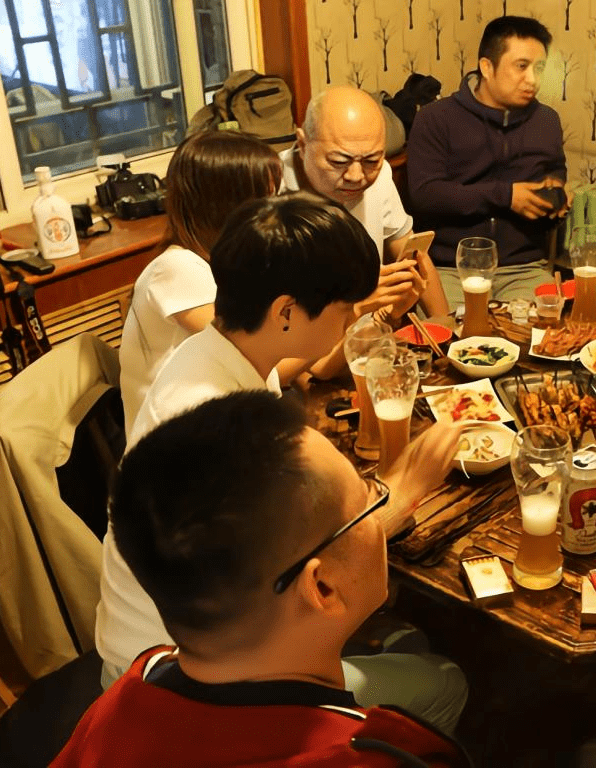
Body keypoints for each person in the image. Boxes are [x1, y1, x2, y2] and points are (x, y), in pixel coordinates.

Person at [96, 194, 468, 733]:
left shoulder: (217, 352)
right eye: (345, 307)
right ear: (287, 312)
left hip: (203, 635)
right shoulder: (213, 419)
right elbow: (315, 570)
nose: (352, 317)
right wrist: (405, 489)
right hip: (188, 681)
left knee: (409, 639)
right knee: (446, 681)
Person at [55, 392, 471, 767]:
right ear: (322, 588)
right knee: (445, 678)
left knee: (425, 662)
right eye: (369, 499)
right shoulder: (374, 756)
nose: (380, 508)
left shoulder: (125, 695)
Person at [118, 129, 281, 434]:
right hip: (175, 448)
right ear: (226, 205)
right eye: (264, 199)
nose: (275, 211)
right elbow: (255, 359)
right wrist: (347, 311)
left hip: (219, 424)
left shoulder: (229, 264)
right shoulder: (178, 269)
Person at [407, 15, 567, 307]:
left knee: (545, 330)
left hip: (523, 267)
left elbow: (555, 170)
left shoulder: (546, 120)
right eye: (521, 66)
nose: (532, 80)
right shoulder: (435, 118)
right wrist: (506, 196)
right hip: (450, 268)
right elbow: (425, 194)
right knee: (457, 333)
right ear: (487, 67)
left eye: (539, 68)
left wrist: (556, 192)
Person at [283, 86, 449, 319]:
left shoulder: (380, 177)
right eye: (339, 161)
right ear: (302, 145)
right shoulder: (270, 187)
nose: (356, 176)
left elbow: (413, 254)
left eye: (371, 161)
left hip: (370, 333)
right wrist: (356, 309)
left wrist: (446, 327)